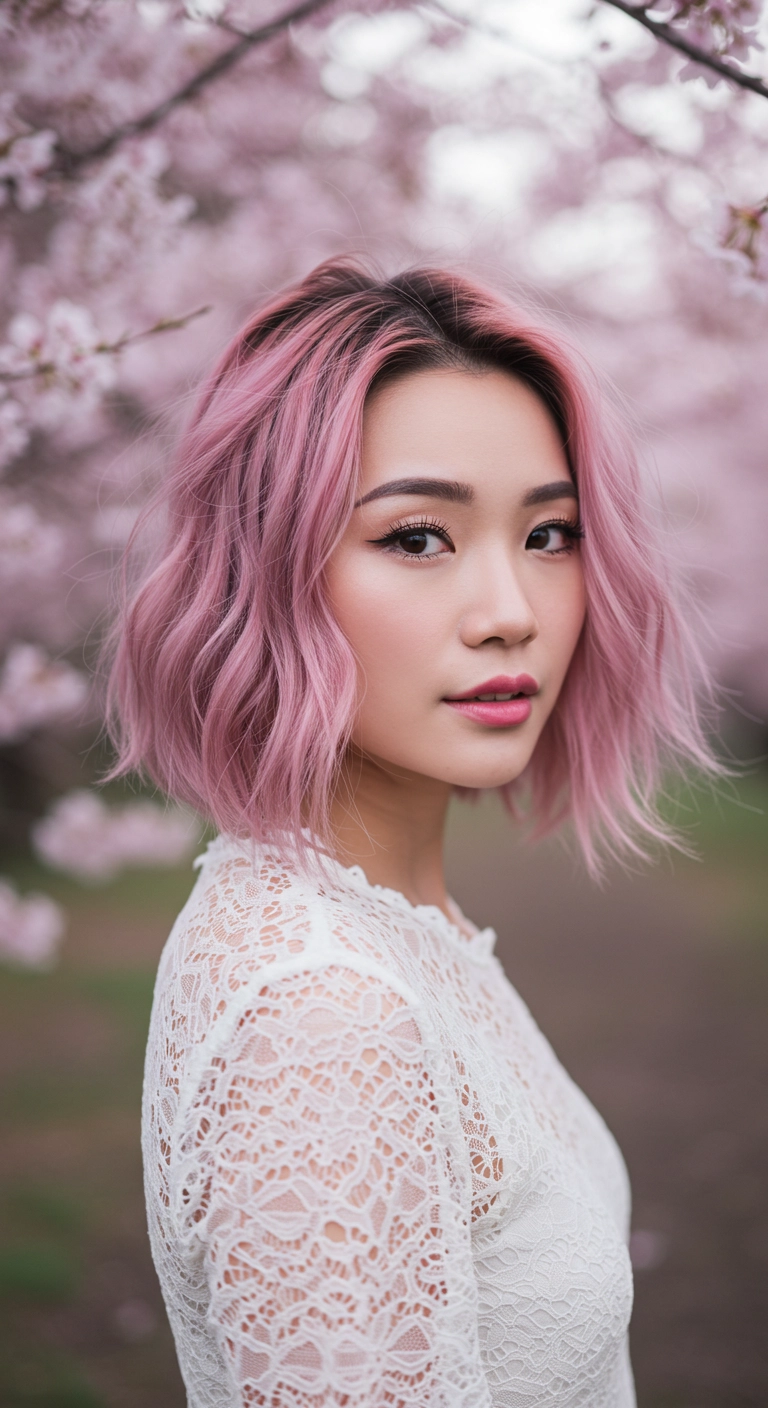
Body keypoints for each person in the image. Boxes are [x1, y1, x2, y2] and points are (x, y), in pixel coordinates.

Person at [108, 260, 717, 1407]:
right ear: (270, 571)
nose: (510, 613)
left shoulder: (389, 926)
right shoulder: (322, 1007)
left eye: (552, 534)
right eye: (419, 537)